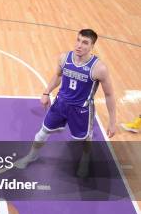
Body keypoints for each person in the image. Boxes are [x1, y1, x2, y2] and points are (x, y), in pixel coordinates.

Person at [15, 29, 116, 177]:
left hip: (81, 111)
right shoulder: (64, 58)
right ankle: (32, 155)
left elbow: (109, 95)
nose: (79, 45)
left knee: (83, 141)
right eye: (78, 40)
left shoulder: (99, 68)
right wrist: (46, 92)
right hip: (60, 104)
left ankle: (85, 160)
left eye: (85, 42)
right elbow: (57, 76)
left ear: (92, 46)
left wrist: (112, 122)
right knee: (41, 134)